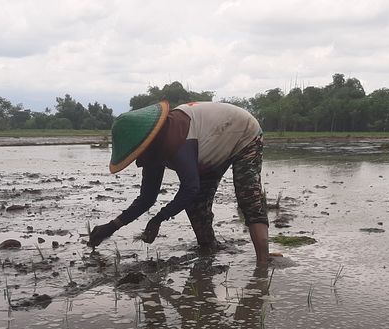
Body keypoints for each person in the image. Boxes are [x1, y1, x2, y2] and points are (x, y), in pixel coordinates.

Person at [87, 100, 270, 265]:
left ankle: (263, 263)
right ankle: (209, 250)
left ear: (147, 144)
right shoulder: (153, 149)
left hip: (243, 133)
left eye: (137, 155)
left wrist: (159, 219)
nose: (137, 161)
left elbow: (190, 187)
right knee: (196, 206)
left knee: (248, 196)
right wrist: (111, 227)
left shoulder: (178, 140)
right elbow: (147, 198)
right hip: (210, 145)